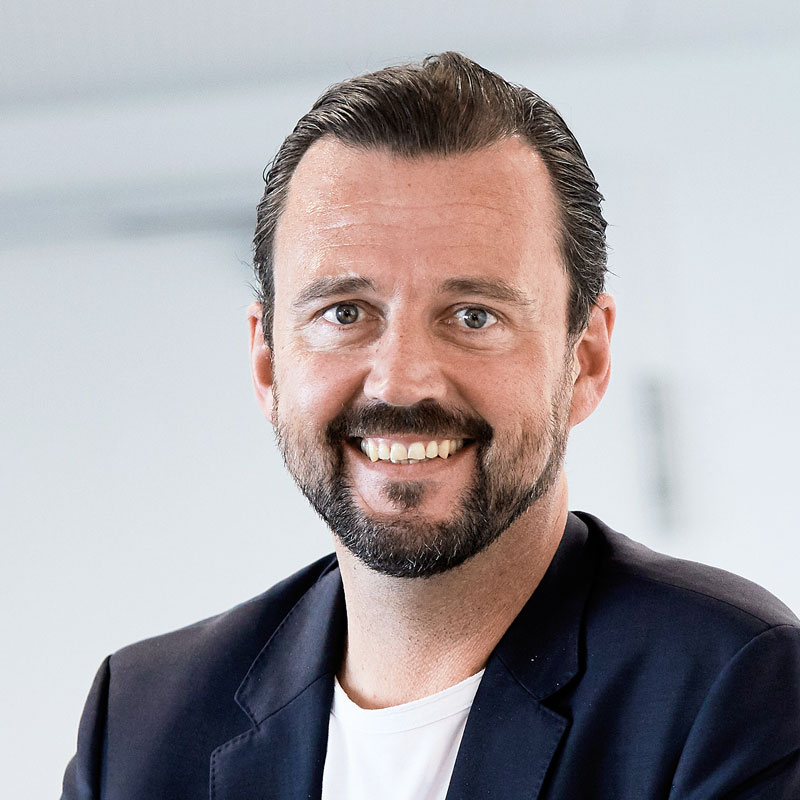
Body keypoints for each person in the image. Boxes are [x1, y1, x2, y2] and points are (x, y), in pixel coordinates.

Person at [62, 52, 800, 799]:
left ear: (586, 358)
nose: (400, 380)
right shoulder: (141, 724)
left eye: (474, 316)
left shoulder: (734, 686)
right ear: (267, 361)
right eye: (344, 313)